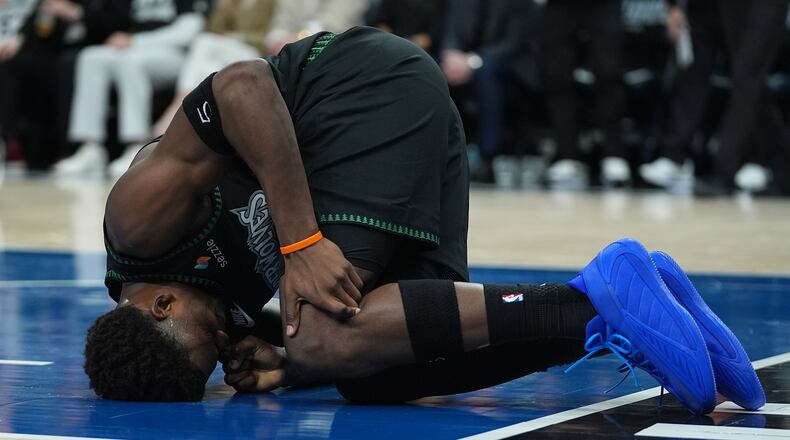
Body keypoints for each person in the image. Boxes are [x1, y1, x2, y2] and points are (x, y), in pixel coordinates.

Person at [84, 29, 764, 415]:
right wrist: (288, 361)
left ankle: (598, 296)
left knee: (322, 338)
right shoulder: (189, 304)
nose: (226, 338)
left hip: (350, 90)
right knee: (381, 371)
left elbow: (241, 85)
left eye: (207, 340)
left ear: (162, 303)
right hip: (392, 133)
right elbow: (325, 330)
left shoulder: (138, 226)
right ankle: (608, 312)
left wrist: (301, 243)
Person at [54, 0, 207, 176]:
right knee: (91, 57)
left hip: (174, 53)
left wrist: (136, 41)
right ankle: (91, 147)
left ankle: (136, 145)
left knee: (130, 62)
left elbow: (189, 32)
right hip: (133, 49)